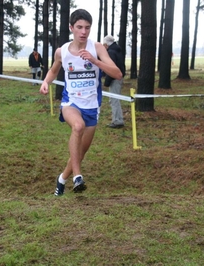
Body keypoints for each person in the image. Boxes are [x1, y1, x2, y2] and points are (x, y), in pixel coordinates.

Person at [39, 9, 123, 196]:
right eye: (79, 27)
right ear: (71, 28)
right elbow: (53, 70)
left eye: (87, 27)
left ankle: (61, 180)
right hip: (71, 103)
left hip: (92, 106)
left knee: (80, 152)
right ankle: (78, 177)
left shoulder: (98, 47)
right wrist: (45, 82)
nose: (83, 32)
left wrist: (95, 61)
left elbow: (117, 73)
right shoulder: (62, 51)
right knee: (77, 126)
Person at [103, 35, 126, 128]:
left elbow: (111, 69)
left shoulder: (111, 52)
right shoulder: (117, 50)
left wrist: (107, 82)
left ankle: (117, 121)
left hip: (115, 78)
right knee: (115, 99)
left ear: (106, 44)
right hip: (118, 78)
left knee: (114, 99)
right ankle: (118, 119)